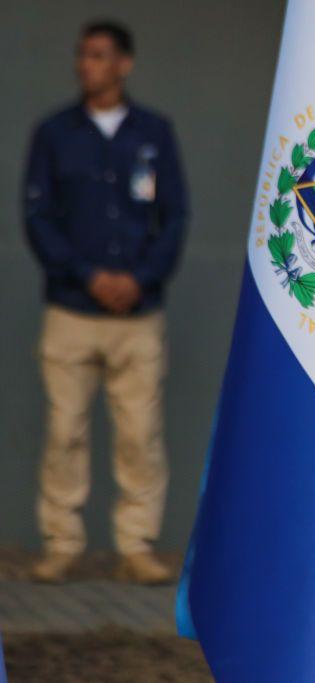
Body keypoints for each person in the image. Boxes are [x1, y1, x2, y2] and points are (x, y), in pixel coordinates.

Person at [23, 20, 188, 584]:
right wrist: (88, 275)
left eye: (97, 56)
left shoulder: (154, 133)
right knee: (64, 430)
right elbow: (37, 218)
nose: (84, 65)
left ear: (123, 64)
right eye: (81, 55)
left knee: (140, 434)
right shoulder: (54, 134)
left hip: (138, 317)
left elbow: (175, 218)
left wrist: (138, 278)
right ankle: (62, 542)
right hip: (71, 311)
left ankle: (137, 545)